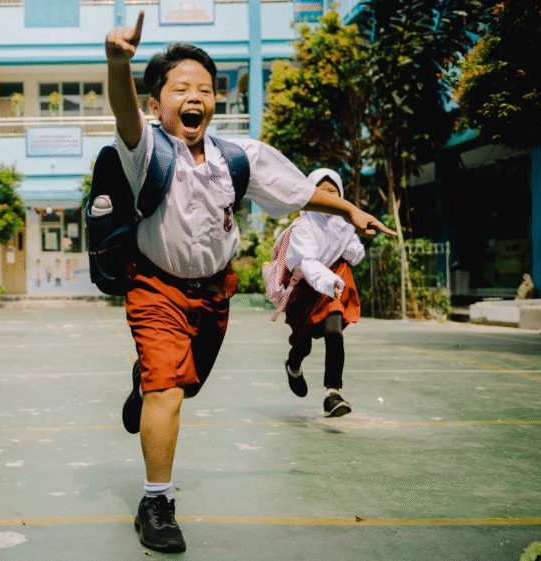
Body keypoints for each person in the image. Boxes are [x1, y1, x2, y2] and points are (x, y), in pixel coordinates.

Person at [104, 12, 395, 553]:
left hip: (214, 292)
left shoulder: (239, 157)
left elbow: (296, 191)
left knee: (180, 386)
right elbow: (122, 110)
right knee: (169, 390)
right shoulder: (144, 150)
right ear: (156, 104)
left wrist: (349, 208)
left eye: (206, 90)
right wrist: (117, 63)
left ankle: (146, 380)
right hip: (156, 287)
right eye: (181, 89)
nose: (195, 97)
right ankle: (157, 501)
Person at [281, 169, 365, 418]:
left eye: (333, 192)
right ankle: (293, 365)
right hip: (307, 286)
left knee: (334, 332)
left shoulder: (345, 224)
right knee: (302, 343)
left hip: (333, 285)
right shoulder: (302, 226)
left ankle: (332, 393)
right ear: (310, 195)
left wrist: (352, 243)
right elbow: (307, 262)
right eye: (321, 192)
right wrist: (328, 280)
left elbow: (356, 254)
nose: (328, 197)